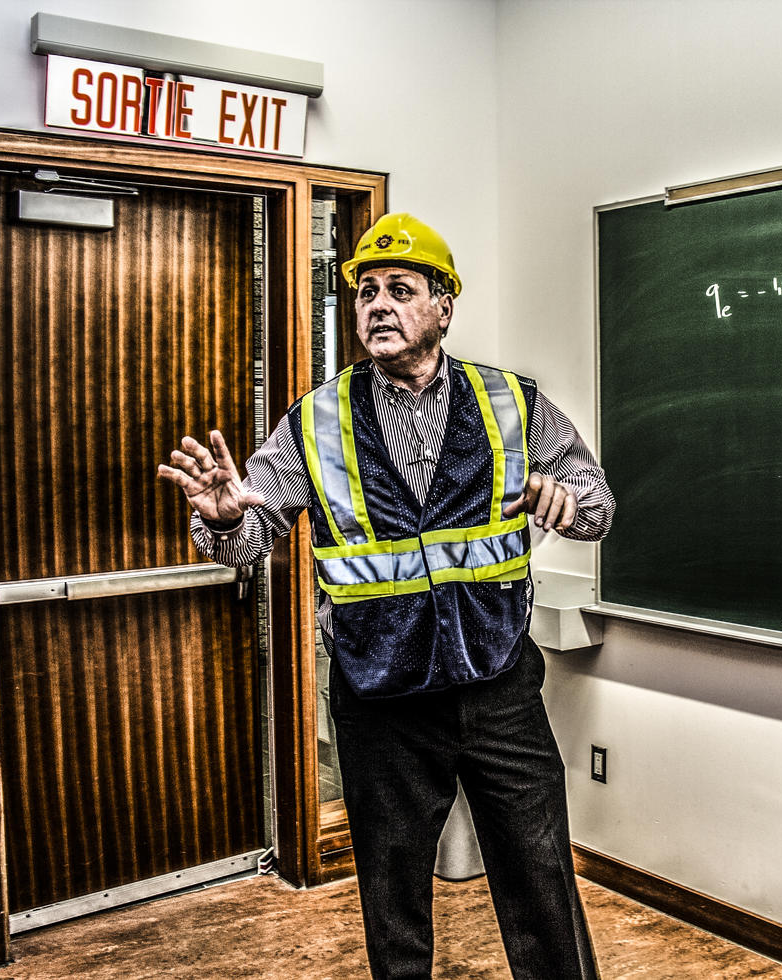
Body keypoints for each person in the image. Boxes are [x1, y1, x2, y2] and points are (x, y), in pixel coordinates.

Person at [157, 212, 613, 979]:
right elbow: (247, 539)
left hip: (500, 688)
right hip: (381, 703)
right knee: (394, 898)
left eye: (400, 289)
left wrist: (565, 498)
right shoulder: (318, 420)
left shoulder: (511, 402)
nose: (378, 305)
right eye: (367, 291)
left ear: (443, 305)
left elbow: (595, 505)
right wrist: (225, 518)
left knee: (541, 880)